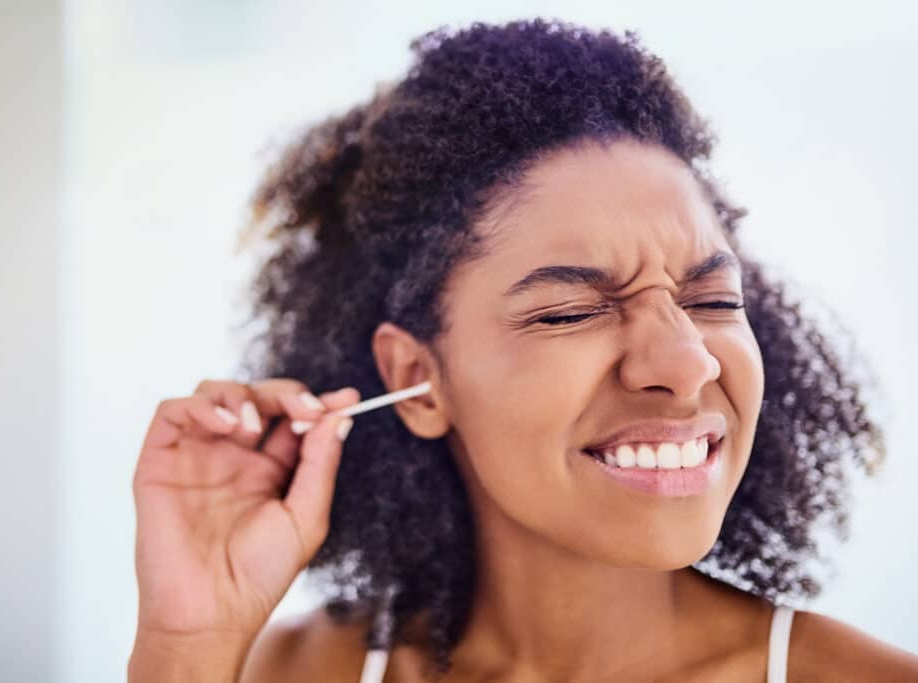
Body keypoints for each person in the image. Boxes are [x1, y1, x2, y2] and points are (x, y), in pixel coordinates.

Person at [127, 18, 918, 682]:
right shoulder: (283, 673)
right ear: (418, 379)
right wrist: (187, 645)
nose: (688, 362)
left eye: (712, 300)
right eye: (570, 311)